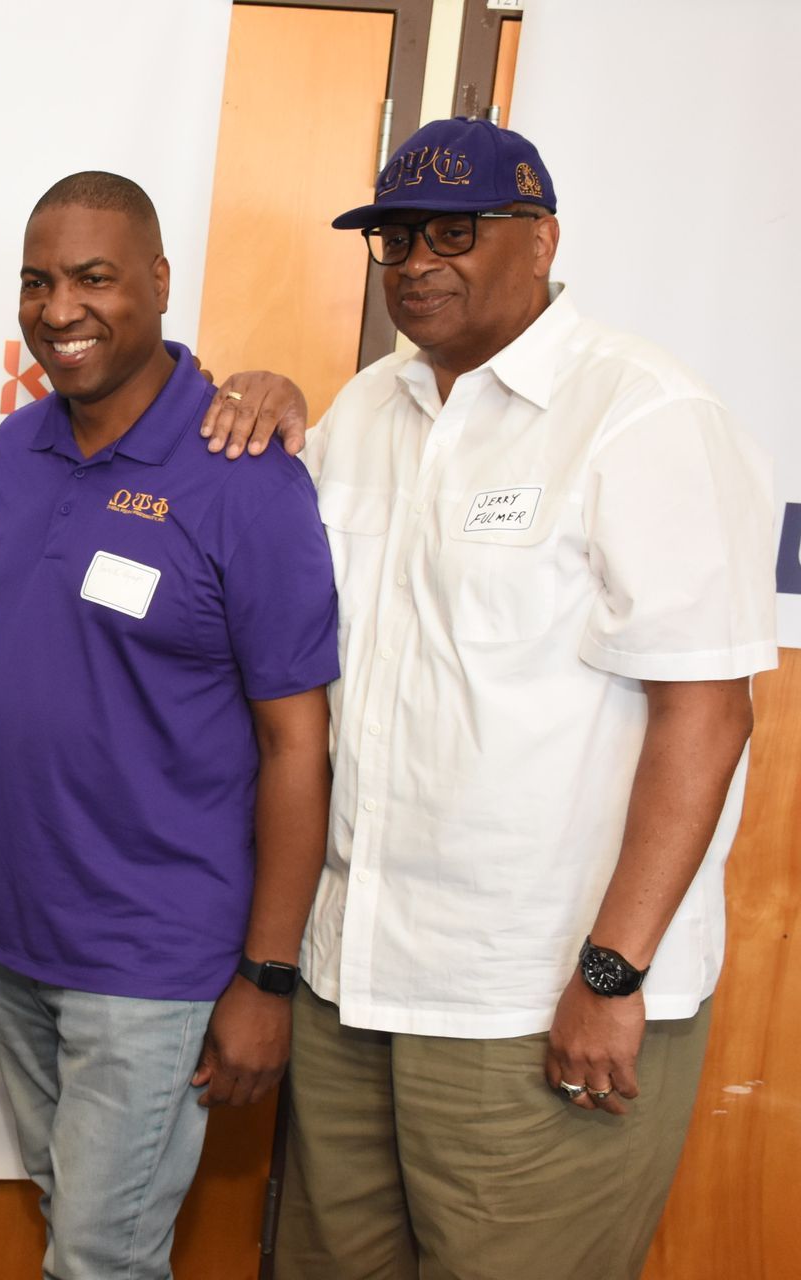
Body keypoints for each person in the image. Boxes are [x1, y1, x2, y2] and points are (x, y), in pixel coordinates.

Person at [268, 118, 777, 1280]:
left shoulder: (642, 414)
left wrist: (613, 973)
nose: (417, 260)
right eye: (393, 237)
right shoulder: (366, 413)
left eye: (455, 230)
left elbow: (709, 711)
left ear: (540, 239)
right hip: (355, 986)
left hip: (535, 1002)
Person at [0, 171, 339, 1280]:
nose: (58, 307)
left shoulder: (245, 476)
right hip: (19, 940)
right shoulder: (13, 452)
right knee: (76, 1227)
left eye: (93, 277)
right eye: (37, 279)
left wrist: (266, 978)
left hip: (157, 957)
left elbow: (297, 743)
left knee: (99, 1259)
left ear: (162, 283)